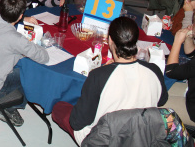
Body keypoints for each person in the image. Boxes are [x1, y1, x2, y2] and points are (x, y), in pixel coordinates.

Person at [53, 17, 168, 145]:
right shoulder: (154, 70)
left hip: (103, 140)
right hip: (143, 136)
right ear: (136, 42)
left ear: (110, 40)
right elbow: (162, 100)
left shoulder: (98, 76)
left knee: (60, 108)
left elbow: (77, 122)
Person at [165, 25, 195, 126]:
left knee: (152, 103)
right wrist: (189, 38)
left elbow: (171, 71)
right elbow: (191, 54)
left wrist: (177, 41)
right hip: (190, 92)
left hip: (192, 109)